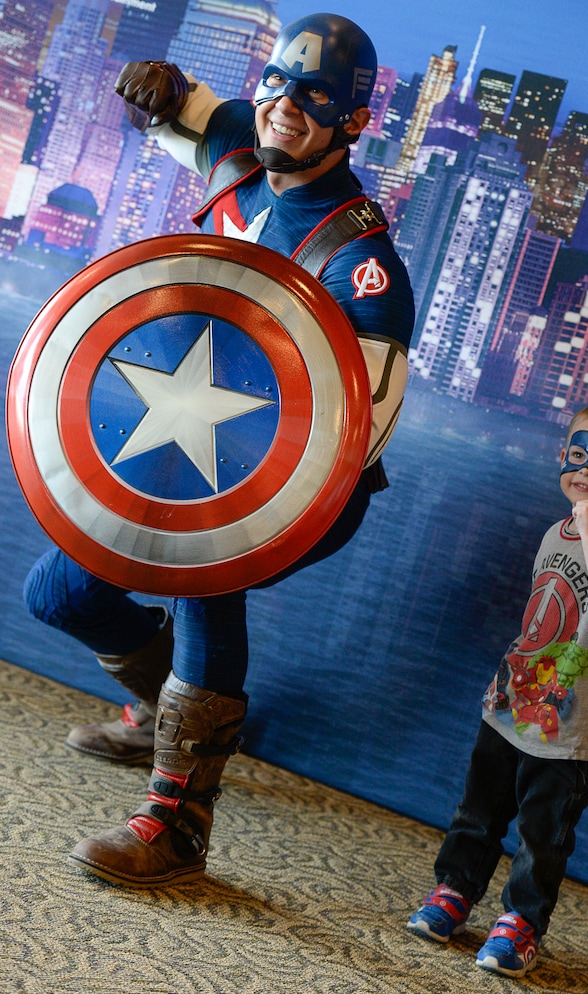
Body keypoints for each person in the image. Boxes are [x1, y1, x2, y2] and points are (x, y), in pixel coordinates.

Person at [23, 12, 414, 887]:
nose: (286, 105)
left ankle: (178, 820)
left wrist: (236, 513)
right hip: (179, 436)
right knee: (58, 591)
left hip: (296, 488)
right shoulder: (247, 141)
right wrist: (153, 88)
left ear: (353, 122)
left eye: (317, 98)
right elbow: (181, 106)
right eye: (279, 80)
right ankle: (165, 710)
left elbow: (360, 431)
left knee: (207, 578)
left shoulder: (361, 263)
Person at [407, 400, 588, 978]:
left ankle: (520, 923)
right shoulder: (555, 530)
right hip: (513, 700)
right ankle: (455, 891)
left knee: (543, 832)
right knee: (478, 809)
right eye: (578, 454)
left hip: (570, 724)